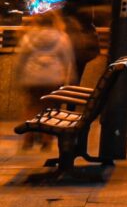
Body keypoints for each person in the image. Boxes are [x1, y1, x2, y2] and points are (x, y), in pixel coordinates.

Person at [10, 10, 78, 144]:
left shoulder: (28, 37)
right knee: (50, 108)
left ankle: (28, 137)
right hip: (53, 78)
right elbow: (68, 60)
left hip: (31, 78)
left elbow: (21, 60)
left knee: (32, 106)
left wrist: (18, 77)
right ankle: (47, 138)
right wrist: (70, 78)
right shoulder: (62, 37)